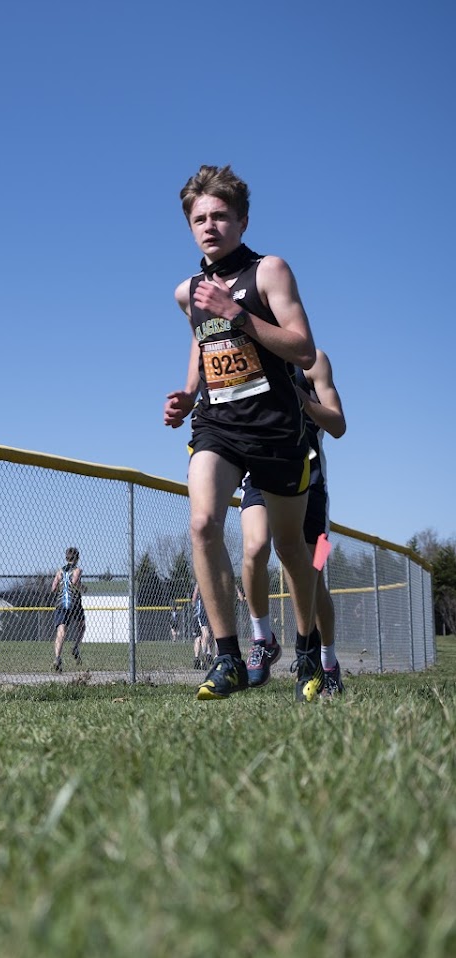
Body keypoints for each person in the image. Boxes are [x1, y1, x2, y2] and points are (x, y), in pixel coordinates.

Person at [163, 164, 326, 702]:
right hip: (218, 425)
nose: (210, 226)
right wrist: (189, 392)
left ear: (242, 221)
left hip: (276, 428)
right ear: (190, 226)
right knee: (203, 521)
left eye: (220, 216)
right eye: (199, 219)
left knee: (291, 548)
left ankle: (307, 652)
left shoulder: (269, 272)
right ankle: (228, 657)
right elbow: (201, 341)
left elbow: (303, 348)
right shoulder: (188, 291)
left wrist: (236, 312)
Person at [238, 348, 347, 692]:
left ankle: (326, 663)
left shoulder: (314, 360)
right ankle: (262, 639)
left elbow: (338, 425)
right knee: (254, 548)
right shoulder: (247, 354)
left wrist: (300, 398)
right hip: (260, 472)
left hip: (312, 486)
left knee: (314, 579)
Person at [49, 547, 83, 672]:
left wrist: (61, 587)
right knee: (81, 626)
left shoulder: (60, 571)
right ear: (77, 558)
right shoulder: (77, 570)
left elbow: (53, 588)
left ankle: (57, 657)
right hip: (74, 603)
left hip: (61, 604)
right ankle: (75, 647)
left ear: (66, 558)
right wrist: (83, 587)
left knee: (61, 630)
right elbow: (74, 581)